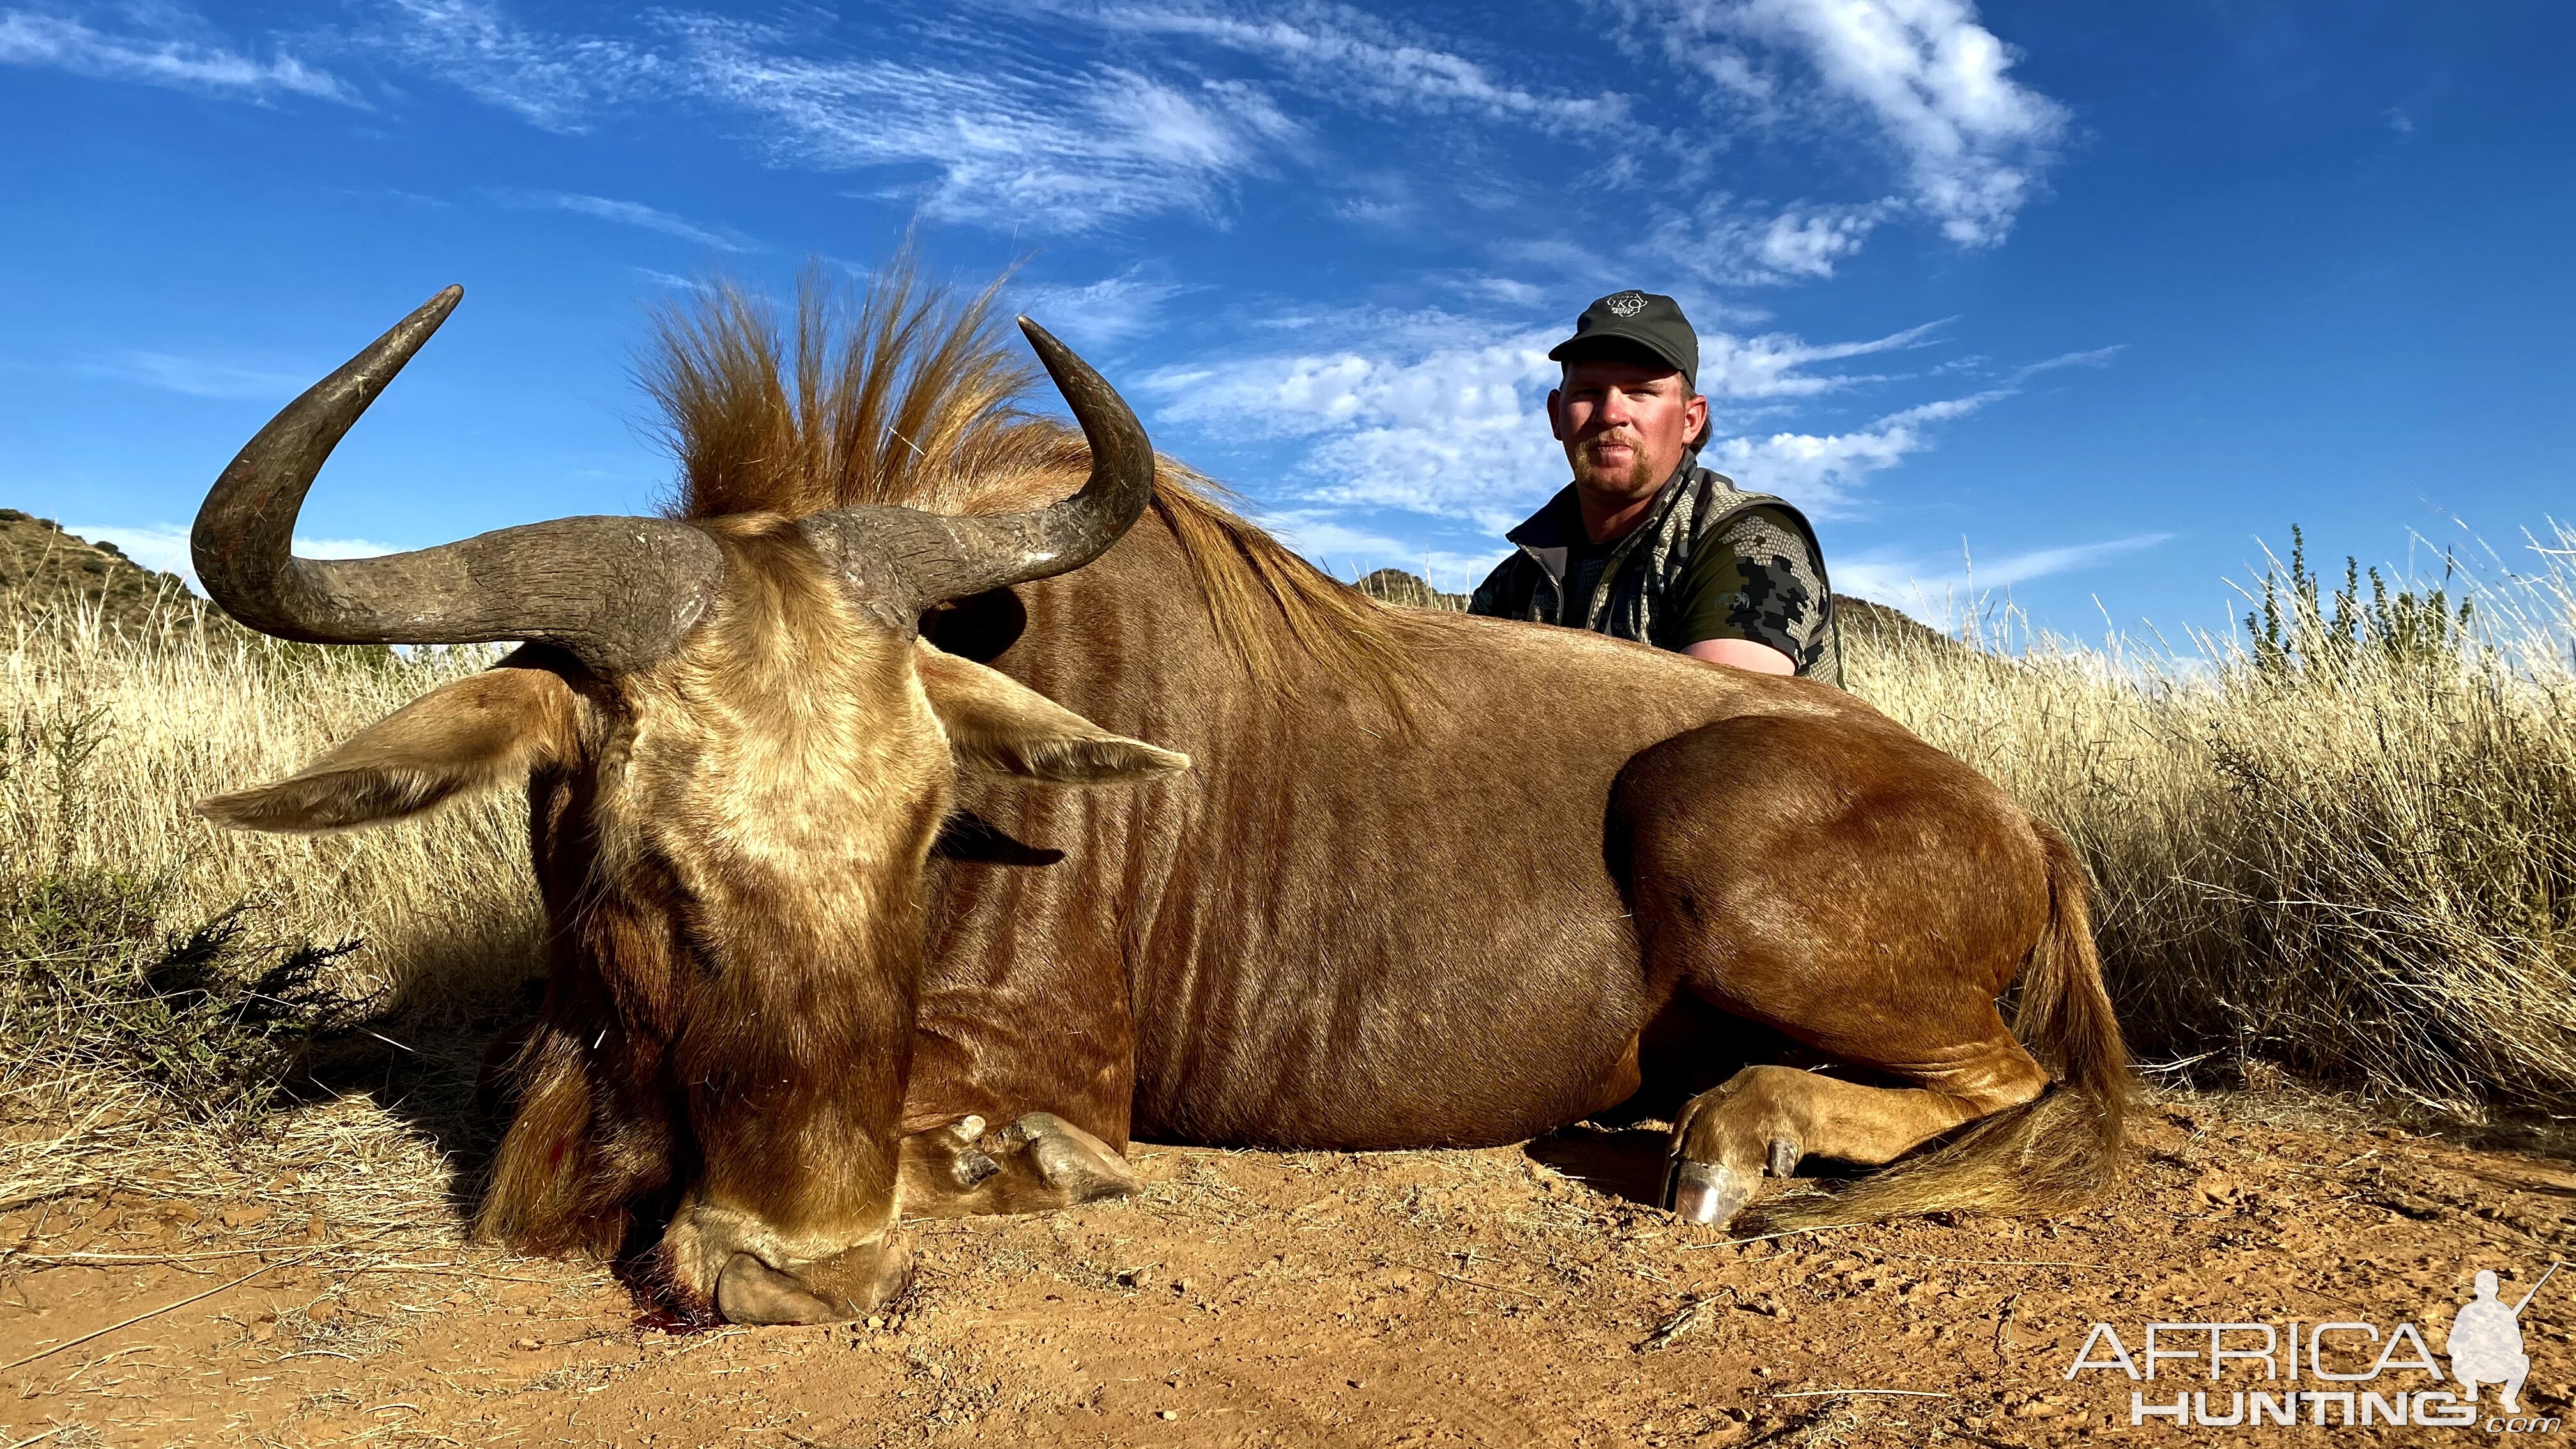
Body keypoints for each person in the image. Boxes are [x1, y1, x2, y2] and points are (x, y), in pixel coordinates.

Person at [1470, 289, 1838, 683]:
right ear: (1556, 417)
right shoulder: (1516, 580)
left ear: (1691, 421)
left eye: (1641, 392)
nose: (1611, 414)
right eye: (1588, 392)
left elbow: (1724, 723)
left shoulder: (1751, 539)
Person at [2447, 1269, 2532, 1413]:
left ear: (2496, 1289)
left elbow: (2518, 1346)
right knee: (2457, 1359)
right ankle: (2471, 1387)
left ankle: (2508, 1397)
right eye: (2483, 1288)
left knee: (2523, 1361)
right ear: (2476, 1289)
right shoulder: (2468, 1311)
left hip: (2496, 1365)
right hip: (2471, 1365)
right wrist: (2470, 1345)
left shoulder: (2504, 1312)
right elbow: (2452, 1344)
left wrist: (2500, 1343)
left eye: (2489, 1288)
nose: (2486, 1291)